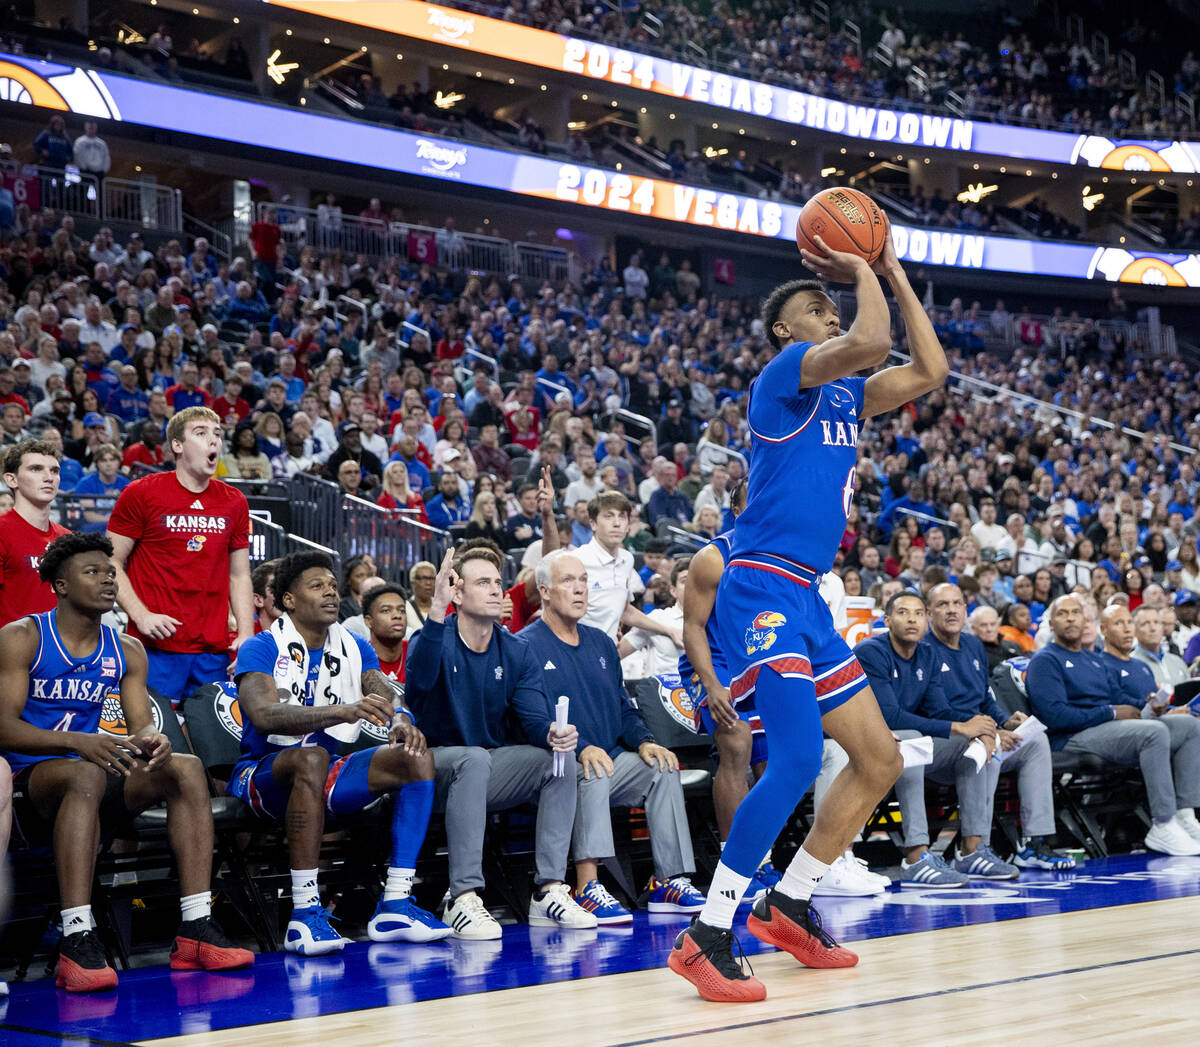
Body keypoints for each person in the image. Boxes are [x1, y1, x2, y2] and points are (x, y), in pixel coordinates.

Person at [670, 226, 945, 1002]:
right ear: (783, 329)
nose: (831, 312)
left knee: (879, 760)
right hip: (760, 586)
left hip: (809, 595)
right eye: (817, 307)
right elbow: (873, 339)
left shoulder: (848, 396)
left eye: (834, 304)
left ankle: (788, 903)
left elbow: (930, 369)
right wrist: (860, 268)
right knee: (793, 758)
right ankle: (706, 932)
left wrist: (893, 270)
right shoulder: (780, 377)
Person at [0, 533, 254, 992]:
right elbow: (3, 726)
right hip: (27, 781)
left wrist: (154, 739)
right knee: (83, 774)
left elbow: (141, 726)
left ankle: (196, 926)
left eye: (110, 573)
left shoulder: (126, 649)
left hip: (92, 775)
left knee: (184, 768)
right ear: (60, 585)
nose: (107, 581)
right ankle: (77, 937)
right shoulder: (23, 637)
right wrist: (78, 742)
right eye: (92, 572)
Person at [231, 551, 449, 953]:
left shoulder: (354, 646)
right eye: (317, 586)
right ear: (289, 599)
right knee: (311, 758)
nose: (331, 593)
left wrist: (401, 719)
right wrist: (341, 711)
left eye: (333, 586)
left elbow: (381, 689)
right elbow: (263, 715)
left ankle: (396, 903)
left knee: (416, 756)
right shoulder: (261, 647)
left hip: (324, 772)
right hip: (261, 775)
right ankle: (304, 912)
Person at [404, 544, 596, 939]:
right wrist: (436, 609)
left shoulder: (515, 649)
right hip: (428, 768)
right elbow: (417, 687)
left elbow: (532, 716)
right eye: (483, 583)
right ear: (457, 594)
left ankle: (548, 891)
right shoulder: (434, 637)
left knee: (560, 761)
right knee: (473, 759)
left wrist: (552, 732)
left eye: (498, 582)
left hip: (486, 768)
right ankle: (461, 898)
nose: (496, 590)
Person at [521, 550, 704, 924]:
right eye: (568, 581)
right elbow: (530, 718)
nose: (579, 589)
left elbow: (623, 709)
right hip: (558, 765)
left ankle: (668, 881)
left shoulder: (602, 643)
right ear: (545, 592)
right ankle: (587, 886)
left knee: (662, 767)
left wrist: (645, 741)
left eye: (583, 580)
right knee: (593, 768)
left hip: (611, 758)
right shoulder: (524, 645)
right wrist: (581, 748)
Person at [1026, 596, 1200, 856]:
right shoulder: (1045, 660)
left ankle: (1185, 814)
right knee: (1153, 732)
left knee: (1188, 726)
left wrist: (1152, 706)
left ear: (1086, 621)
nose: (1071, 618)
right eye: (1063, 614)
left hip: (1105, 730)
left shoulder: (1093, 660)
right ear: (1051, 624)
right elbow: (1054, 716)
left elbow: (1118, 700)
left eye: (1076, 612)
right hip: (1070, 738)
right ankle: (1163, 823)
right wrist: (1109, 713)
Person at [857, 593, 1010, 886]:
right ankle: (916, 857)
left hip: (905, 743)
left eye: (918, 613)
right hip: (867, 743)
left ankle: (973, 850)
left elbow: (940, 709)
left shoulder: (927, 654)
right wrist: (959, 726)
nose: (912, 619)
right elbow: (891, 716)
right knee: (913, 741)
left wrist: (979, 729)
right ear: (887, 620)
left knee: (975, 746)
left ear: (926, 620)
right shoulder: (871, 652)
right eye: (903, 612)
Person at [107, 407, 253, 706]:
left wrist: (247, 636)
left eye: (217, 434)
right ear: (177, 444)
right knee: (153, 732)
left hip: (213, 650)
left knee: (214, 732)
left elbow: (239, 575)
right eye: (201, 433)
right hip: (154, 646)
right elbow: (110, 562)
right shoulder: (140, 493)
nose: (213, 441)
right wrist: (141, 615)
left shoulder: (234, 501)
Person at [924, 584, 1073, 870]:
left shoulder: (973, 645)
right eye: (943, 605)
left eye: (956, 603)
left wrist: (1005, 720)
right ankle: (975, 849)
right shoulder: (924, 649)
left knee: (1035, 743)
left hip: (982, 733)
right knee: (987, 748)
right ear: (929, 613)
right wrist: (990, 731)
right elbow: (937, 708)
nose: (951, 610)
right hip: (948, 738)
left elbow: (984, 698)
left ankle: (1033, 843)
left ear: (965, 610)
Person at [576, 492, 683, 649]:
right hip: (579, 651)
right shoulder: (577, 560)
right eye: (609, 516)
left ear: (628, 525)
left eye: (622, 517)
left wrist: (668, 630)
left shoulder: (626, 559)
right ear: (593, 524)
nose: (617, 523)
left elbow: (625, 610)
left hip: (608, 652)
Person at [0, 440, 70, 626]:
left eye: (54, 471)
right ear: (11, 479)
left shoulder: (67, 538)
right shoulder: (2, 532)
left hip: (60, 642)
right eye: (36, 469)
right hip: (11, 643)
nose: (49, 478)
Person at [620, 557, 689, 678]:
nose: (692, 585)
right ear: (673, 590)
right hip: (661, 689)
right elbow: (617, 654)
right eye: (685, 581)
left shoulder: (715, 622)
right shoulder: (657, 619)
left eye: (697, 581)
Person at [73, 444, 130, 534]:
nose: (108, 464)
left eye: (112, 460)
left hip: (118, 527)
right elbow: (90, 517)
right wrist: (116, 521)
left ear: (119, 462)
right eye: (103, 460)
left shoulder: (126, 484)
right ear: (97, 463)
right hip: (91, 528)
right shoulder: (85, 483)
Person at [364, 584, 409, 682]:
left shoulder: (415, 651)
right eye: (386, 611)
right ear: (368, 621)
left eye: (402, 610)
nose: (397, 616)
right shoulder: (359, 657)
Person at [969, 604, 1024, 670]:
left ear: (998, 625)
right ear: (973, 628)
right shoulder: (972, 653)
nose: (989, 629)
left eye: (993, 624)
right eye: (983, 625)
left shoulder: (1013, 645)